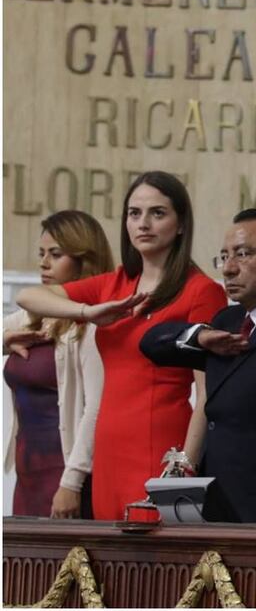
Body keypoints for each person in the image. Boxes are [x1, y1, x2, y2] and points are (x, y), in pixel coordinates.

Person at [16, 172, 227, 521]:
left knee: (154, 564)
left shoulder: (201, 290)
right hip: (108, 448)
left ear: (180, 225)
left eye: (157, 213)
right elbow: (28, 297)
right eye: (134, 213)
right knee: (111, 564)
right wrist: (88, 312)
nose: (143, 223)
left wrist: (184, 466)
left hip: (160, 446)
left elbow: (207, 395)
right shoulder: (115, 283)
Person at [139, 209, 256, 524]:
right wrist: (200, 336)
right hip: (216, 505)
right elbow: (153, 344)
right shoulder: (227, 322)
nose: (229, 269)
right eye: (224, 257)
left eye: (243, 254)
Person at [4, 211, 115, 518]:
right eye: (41, 254)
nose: (44, 263)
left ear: (84, 260)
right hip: (27, 475)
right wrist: (5, 340)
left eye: (55, 254)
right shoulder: (38, 315)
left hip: (64, 474)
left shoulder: (92, 324)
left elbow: (95, 408)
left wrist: (71, 482)